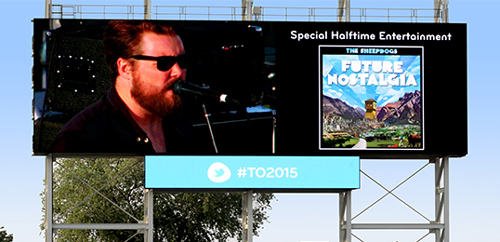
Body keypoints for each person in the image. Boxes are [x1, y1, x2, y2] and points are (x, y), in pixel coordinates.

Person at [50, 20, 195, 154]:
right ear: (125, 68)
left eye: (182, 61)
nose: (178, 72)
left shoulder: (183, 123)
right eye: (164, 62)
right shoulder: (83, 140)